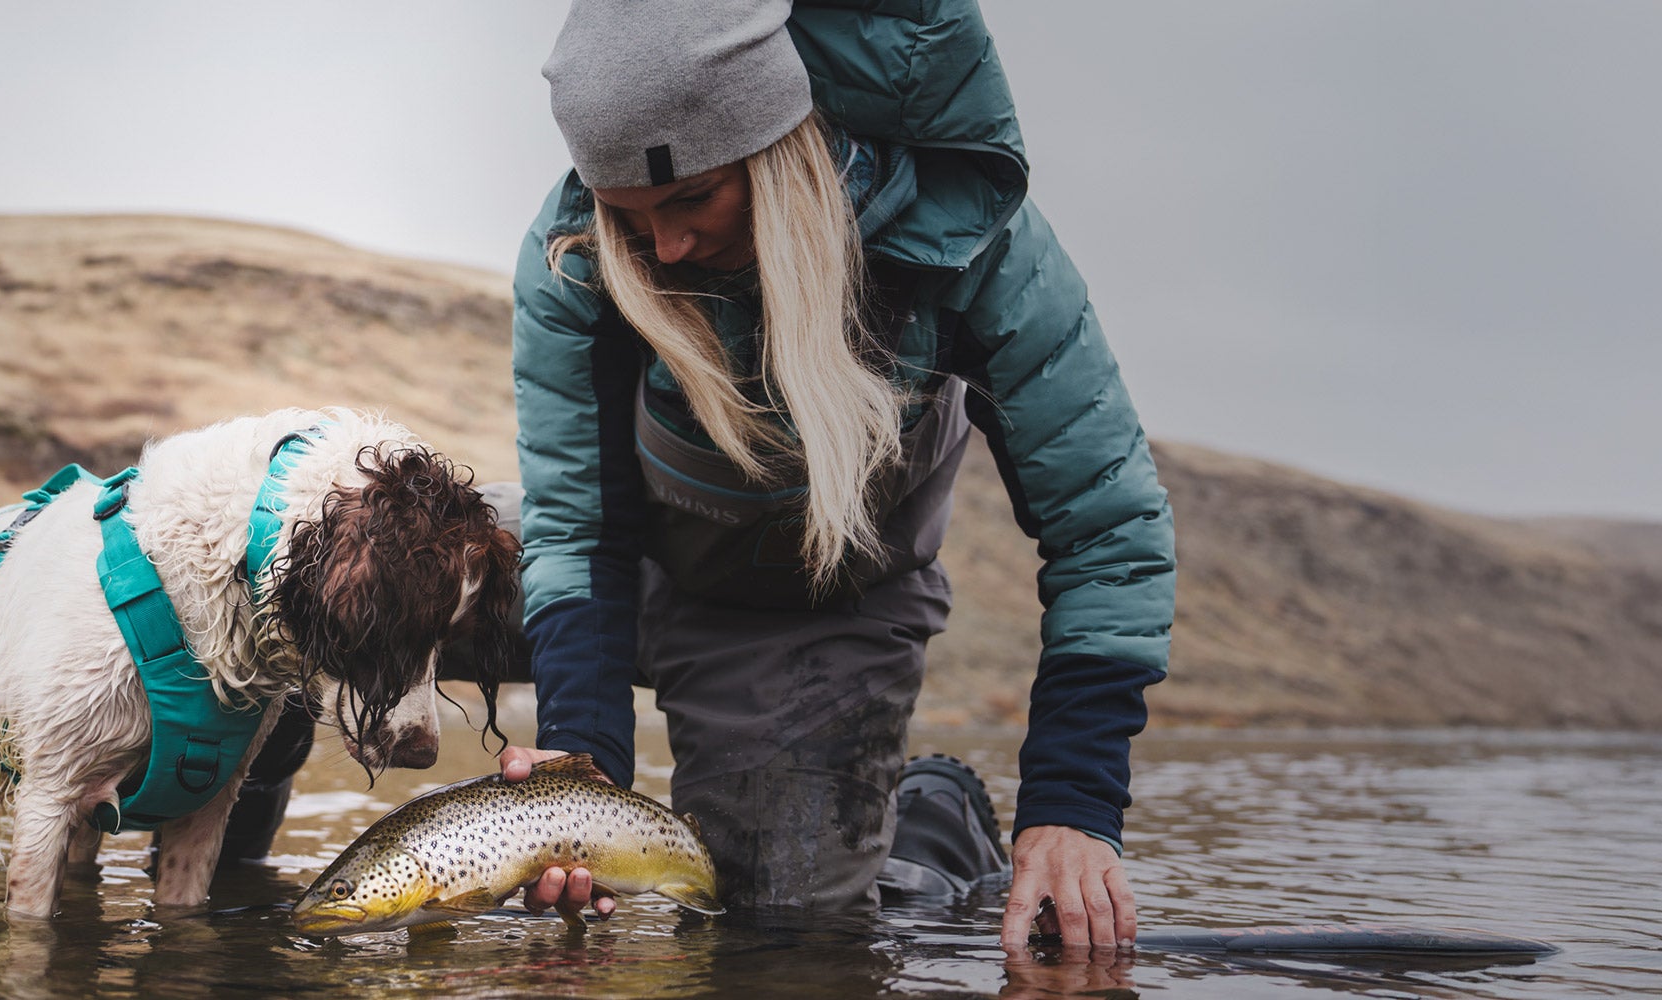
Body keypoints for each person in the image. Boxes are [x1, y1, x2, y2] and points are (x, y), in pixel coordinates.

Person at [499, 0, 1174, 953]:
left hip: (813, 607)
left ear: (780, 152)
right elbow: (576, 531)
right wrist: (584, 760)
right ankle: (217, 817)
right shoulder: (572, 260)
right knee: (312, 559)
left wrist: (1072, 803)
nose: (666, 249)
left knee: (777, 935)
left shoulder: (970, 241)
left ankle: (932, 826)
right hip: (620, 558)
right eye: (629, 214)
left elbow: (1107, 527)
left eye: (693, 199)